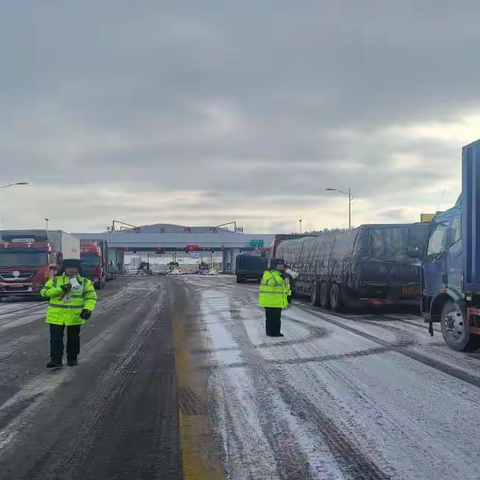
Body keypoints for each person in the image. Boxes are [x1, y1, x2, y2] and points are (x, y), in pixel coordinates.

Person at [40, 258, 97, 368]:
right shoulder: (55, 280)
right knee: (56, 339)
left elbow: (91, 297)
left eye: (74, 268)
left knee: (74, 339)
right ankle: (56, 360)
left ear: (78, 269)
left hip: (74, 315)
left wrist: (88, 309)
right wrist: (60, 289)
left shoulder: (85, 282)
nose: (71, 270)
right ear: (64, 268)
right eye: (69, 267)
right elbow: (44, 293)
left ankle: (72, 358)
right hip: (56, 316)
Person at [259, 258, 290, 337]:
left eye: (282, 265)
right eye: (279, 265)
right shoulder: (268, 273)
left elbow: (286, 287)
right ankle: (272, 333)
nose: (281, 266)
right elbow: (272, 283)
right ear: (274, 265)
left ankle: (275, 332)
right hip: (270, 300)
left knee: (276, 318)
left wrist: (288, 296)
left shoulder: (280, 274)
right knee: (271, 318)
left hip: (277, 300)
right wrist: (282, 277)